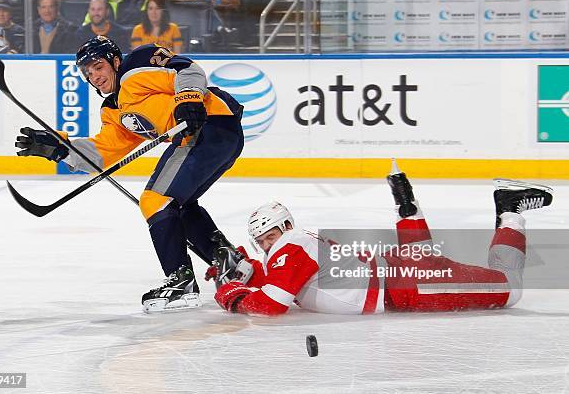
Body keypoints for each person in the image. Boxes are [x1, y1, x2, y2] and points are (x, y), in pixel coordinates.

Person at [14, 36, 244, 312]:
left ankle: (181, 283)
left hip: (210, 125)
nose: (94, 77)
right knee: (176, 206)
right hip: (204, 139)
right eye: (88, 73)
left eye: (97, 67)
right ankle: (229, 262)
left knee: (155, 199)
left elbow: (187, 69)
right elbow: (103, 153)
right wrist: (60, 149)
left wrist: (189, 99)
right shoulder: (113, 110)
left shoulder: (137, 66)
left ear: (115, 61)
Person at [211, 160, 553, 315]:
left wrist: (230, 293)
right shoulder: (295, 242)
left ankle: (511, 210)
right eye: (262, 241)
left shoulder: (291, 246)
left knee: (512, 288)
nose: (267, 245)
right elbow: (283, 279)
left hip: (407, 285)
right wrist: (250, 269)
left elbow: (272, 304)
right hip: (400, 273)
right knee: (422, 255)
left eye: (269, 236)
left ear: (284, 227)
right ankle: (409, 210)